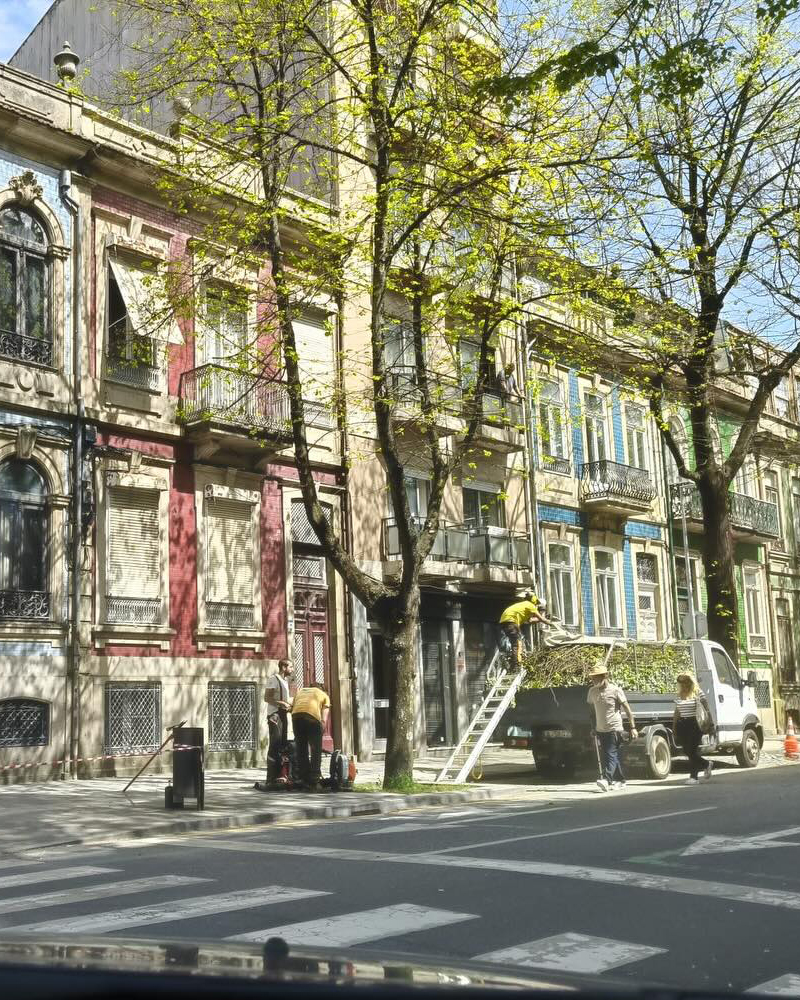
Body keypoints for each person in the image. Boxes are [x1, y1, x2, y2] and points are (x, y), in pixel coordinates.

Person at [587, 662, 638, 791]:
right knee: (610, 755)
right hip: (600, 729)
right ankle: (621, 780)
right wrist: (593, 728)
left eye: (596, 677)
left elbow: (627, 709)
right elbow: (592, 712)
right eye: (592, 678)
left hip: (614, 728)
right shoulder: (592, 692)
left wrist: (632, 727)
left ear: (604, 676)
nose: (593, 680)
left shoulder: (615, 690)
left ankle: (606, 779)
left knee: (611, 754)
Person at [672, 672, 714, 785]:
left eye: (685, 681)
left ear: (690, 681)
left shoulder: (698, 693)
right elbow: (677, 711)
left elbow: (706, 709)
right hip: (682, 725)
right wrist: (674, 725)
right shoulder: (679, 694)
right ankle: (706, 764)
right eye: (680, 682)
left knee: (691, 750)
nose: (683, 684)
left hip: (695, 724)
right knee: (686, 750)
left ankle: (694, 777)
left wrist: (710, 725)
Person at [291, 683, 331, 790]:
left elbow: (293, 707)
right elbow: (324, 717)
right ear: (322, 689)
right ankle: (314, 781)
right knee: (315, 750)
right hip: (312, 718)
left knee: (301, 749)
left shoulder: (300, 691)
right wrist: (321, 729)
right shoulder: (323, 695)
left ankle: (304, 779)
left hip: (296, 717)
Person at [499, 591, 550, 669]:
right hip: (511, 621)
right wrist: (551, 623)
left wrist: (541, 619)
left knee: (515, 642)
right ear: (534, 600)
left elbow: (529, 621)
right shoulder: (530, 605)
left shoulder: (523, 606)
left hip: (504, 622)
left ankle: (513, 661)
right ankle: (516, 665)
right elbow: (541, 618)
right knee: (518, 643)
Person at [264, 658, 293, 782]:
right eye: (290, 667)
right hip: (275, 715)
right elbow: (267, 697)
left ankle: (281, 775)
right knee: (274, 745)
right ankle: (271, 777)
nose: (292, 669)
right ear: (283, 667)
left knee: (282, 745)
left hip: (283, 715)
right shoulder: (273, 679)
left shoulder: (285, 681)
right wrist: (281, 703)